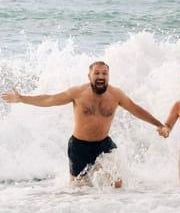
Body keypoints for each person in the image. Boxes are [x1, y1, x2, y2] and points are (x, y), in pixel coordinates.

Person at [1, 61, 167, 188]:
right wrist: (23, 99)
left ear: (108, 76)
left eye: (104, 73)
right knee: (78, 191)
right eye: (97, 73)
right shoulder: (78, 93)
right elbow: (50, 99)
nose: (100, 76)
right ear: (89, 76)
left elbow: (136, 110)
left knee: (117, 184)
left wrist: (159, 124)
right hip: (79, 147)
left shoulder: (116, 95)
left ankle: (114, 212)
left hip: (104, 144)